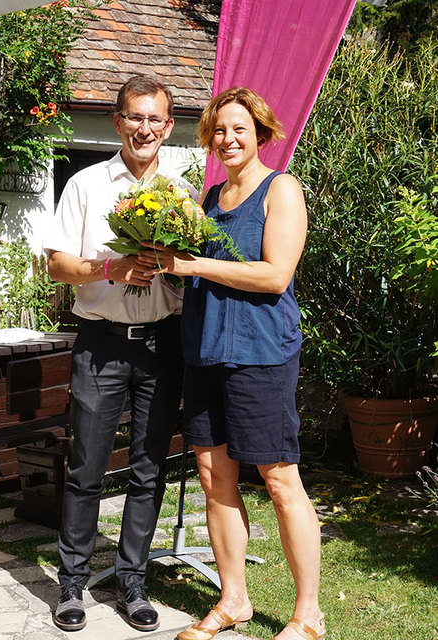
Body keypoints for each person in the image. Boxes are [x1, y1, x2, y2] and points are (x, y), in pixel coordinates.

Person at [137, 87, 325, 640]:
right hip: (205, 351)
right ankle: (234, 599)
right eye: (219, 131)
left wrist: (194, 265)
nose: (228, 139)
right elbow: (195, 273)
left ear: (260, 131)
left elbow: (274, 276)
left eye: (239, 128)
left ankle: (308, 613)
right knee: (213, 476)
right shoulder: (210, 197)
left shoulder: (280, 189)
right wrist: (160, 260)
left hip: (260, 355)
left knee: (278, 478)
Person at [44, 75, 188, 633]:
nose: (144, 128)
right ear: (118, 120)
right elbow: (57, 265)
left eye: (155, 119)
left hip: (161, 344)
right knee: (86, 469)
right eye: (134, 117)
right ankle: (73, 585)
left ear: (168, 126)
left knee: (149, 469)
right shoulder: (85, 184)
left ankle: (132, 580)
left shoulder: (182, 192)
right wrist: (110, 266)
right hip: (101, 344)